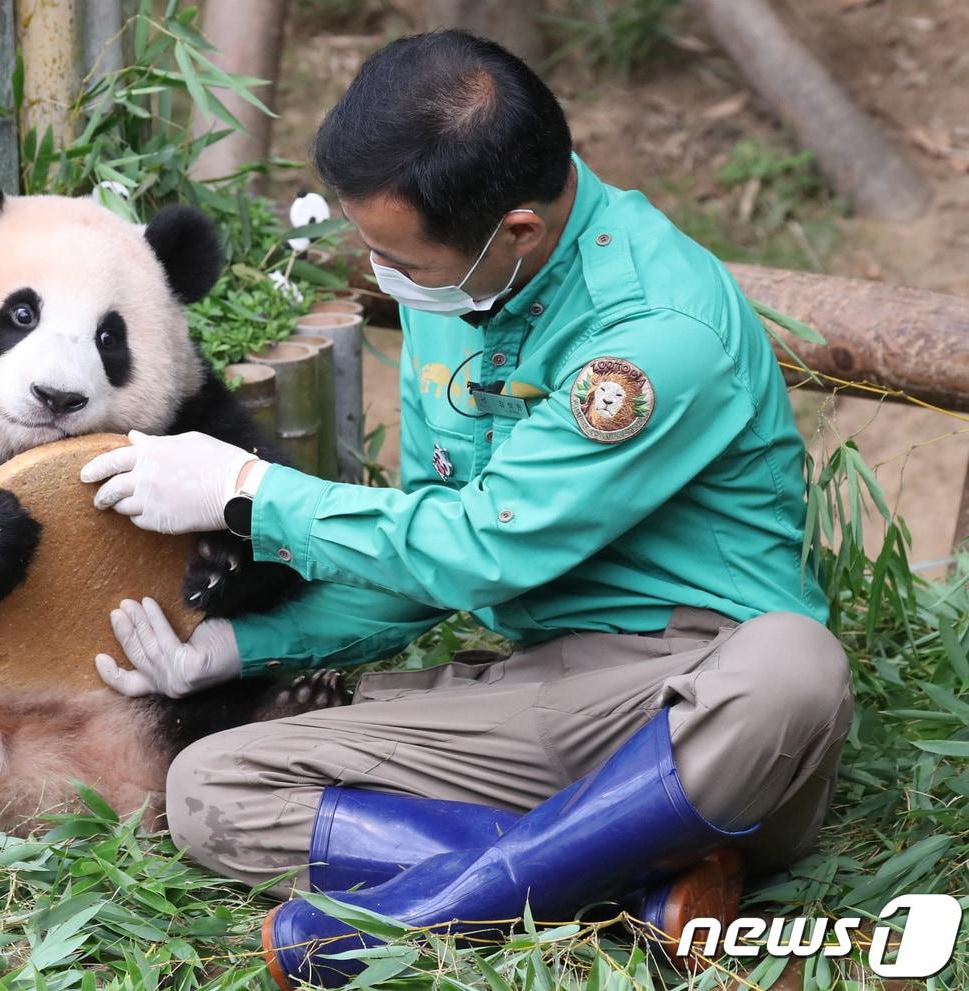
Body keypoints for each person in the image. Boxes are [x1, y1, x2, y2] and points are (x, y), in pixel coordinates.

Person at [80, 29, 853, 989]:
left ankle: (442, 902)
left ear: (516, 228)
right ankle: (638, 894)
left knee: (796, 668)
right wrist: (240, 649)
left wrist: (251, 495)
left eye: (399, 257)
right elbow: (430, 539)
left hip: (686, 702)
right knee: (211, 787)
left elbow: (487, 549)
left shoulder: (655, 332)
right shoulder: (460, 285)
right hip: (535, 693)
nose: (384, 275)